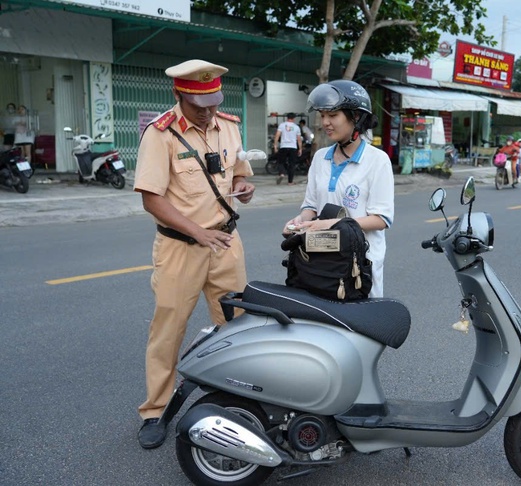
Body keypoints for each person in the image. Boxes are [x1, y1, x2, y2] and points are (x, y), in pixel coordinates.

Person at [132, 59, 255, 449]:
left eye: (213, 102)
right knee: (168, 330)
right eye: (198, 104)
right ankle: (155, 410)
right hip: (180, 247)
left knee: (238, 325)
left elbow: (240, 170)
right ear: (178, 94)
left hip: (225, 242)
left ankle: (240, 397)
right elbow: (152, 198)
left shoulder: (230, 125)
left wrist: (243, 184)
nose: (207, 111)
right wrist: (198, 232)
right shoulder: (160, 134)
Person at [283, 80, 394, 297]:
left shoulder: (377, 161)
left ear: (356, 117)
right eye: (323, 115)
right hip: (321, 261)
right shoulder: (319, 158)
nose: (325, 122)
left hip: (359, 265)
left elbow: (381, 219)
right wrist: (299, 222)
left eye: (333, 116)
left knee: (358, 325)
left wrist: (332, 224)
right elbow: (311, 207)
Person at [274, 112, 302, 185]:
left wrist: (275, 145)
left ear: (287, 118)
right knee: (292, 164)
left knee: (281, 162)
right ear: (294, 118)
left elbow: (277, 135)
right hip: (293, 147)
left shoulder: (282, 125)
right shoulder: (296, 127)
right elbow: (299, 139)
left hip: (283, 146)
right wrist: (300, 149)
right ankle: (290, 182)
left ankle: (282, 173)